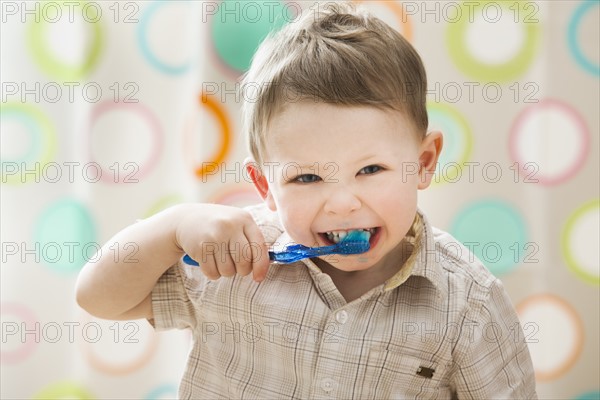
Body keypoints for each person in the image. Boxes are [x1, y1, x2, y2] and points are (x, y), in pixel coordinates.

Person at [76, 2, 537, 398]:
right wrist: (173, 227)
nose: (341, 203)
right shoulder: (234, 262)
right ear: (264, 186)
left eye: (370, 170)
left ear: (424, 161)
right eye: (308, 177)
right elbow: (98, 298)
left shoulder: (468, 304)